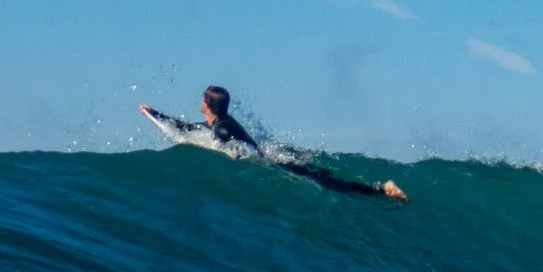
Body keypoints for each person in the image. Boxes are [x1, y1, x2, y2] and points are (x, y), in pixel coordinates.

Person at [141, 86, 407, 202]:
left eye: (202, 99)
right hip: (274, 160)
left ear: (207, 105)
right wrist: (156, 114)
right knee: (325, 179)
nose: (198, 103)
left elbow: (228, 148)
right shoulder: (220, 122)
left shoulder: (222, 129)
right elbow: (189, 128)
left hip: (274, 164)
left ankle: (380, 191)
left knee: (328, 184)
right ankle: (378, 191)